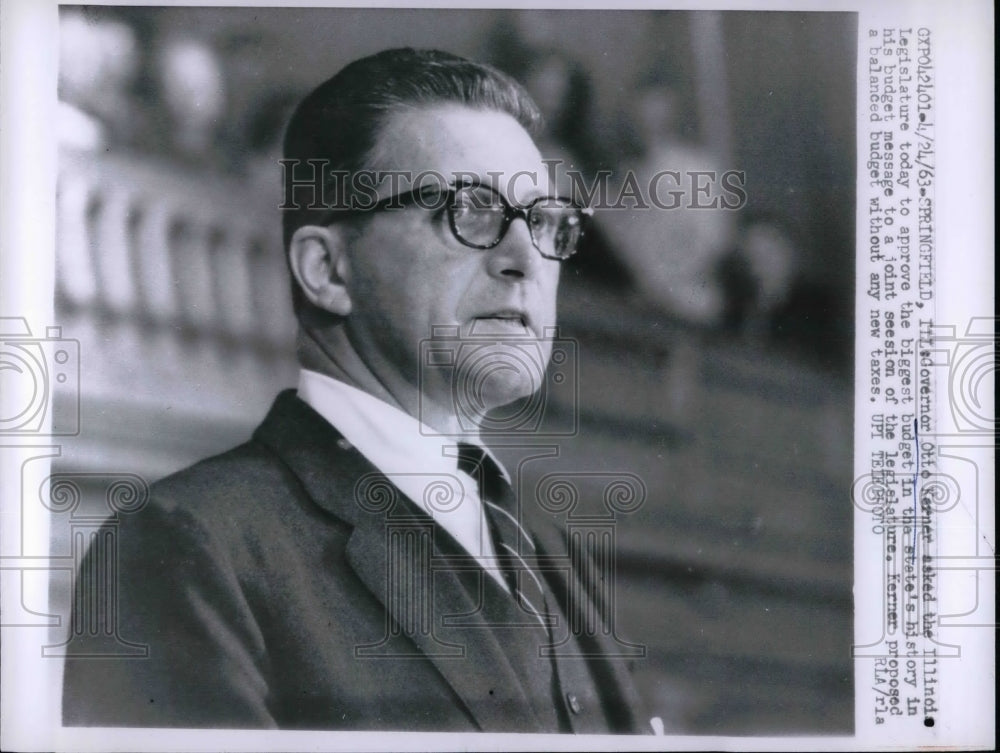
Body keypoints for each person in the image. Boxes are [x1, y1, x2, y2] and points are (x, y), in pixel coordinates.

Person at [61, 48, 651, 734]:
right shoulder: (190, 545)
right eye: (473, 209)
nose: (526, 259)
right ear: (327, 269)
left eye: (546, 223)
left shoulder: (555, 552)